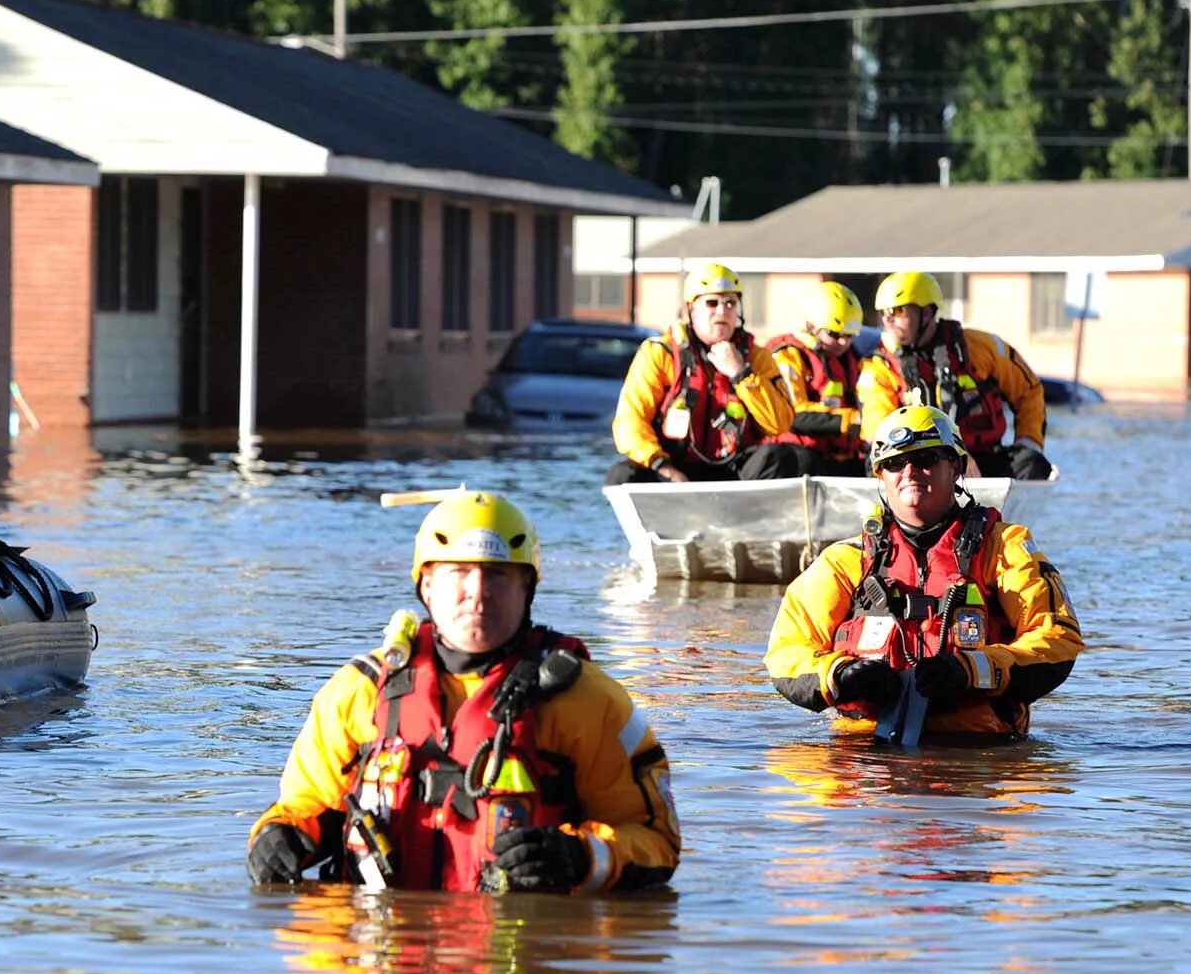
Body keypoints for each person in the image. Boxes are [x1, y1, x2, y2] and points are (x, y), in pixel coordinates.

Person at [247, 491, 680, 892]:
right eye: (458, 572)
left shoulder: (587, 700)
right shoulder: (358, 693)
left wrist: (576, 857)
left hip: (516, 955)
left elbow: (656, 843)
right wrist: (277, 836)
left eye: (498, 575)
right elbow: (308, 804)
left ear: (527, 587)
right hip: (384, 959)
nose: (478, 592)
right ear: (427, 585)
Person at [764, 405, 1082, 739]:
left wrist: (971, 670)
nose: (910, 472)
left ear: (956, 467)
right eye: (895, 464)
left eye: (927, 459)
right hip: (864, 756)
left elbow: (1059, 640)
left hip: (977, 756)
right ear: (881, 476)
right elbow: (786, 651)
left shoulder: (1004, 549)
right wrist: (840, 675)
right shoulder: (844, 562)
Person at [607, 263, 797, 484]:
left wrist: (741, 375)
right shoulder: (660, 354)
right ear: (692, 309)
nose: (722, 311)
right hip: (674, 467)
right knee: (622, 475)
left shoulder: (757, 357)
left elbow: (779, 424)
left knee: (782, 457)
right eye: (711, 303)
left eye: (730, 303)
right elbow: (630, 422)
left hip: (734, 470)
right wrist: (663, 466)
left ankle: (745, 517)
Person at [857, 271, 1052, 479]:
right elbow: (877, 431)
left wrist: (1028, 442)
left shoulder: (981, 347)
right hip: (917, 465)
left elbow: (1028, 391)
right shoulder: (879, 366)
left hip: (984, 461)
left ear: (928, 311)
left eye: (898, 311)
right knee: (874, 467)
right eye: (884, 313)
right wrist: (951, 459)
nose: (888, 320)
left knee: (1032, 463)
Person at [765, 281, 868, 477]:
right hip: (801, 459)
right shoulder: (788, 355)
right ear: (811, 326)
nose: (843, 342)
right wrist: (849, 420)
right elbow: (792, 413)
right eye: (834, 334)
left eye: (850, 335)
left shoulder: (853, 358)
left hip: (844, 458)